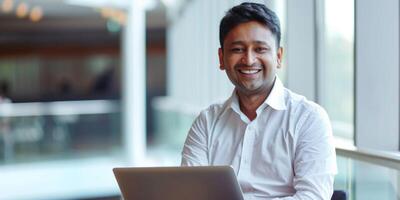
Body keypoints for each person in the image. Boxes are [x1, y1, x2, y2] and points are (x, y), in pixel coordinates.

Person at [181, 2, 337, 200]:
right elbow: (189, 193)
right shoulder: (207, 122)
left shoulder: (309, 119)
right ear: (221, 58)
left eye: (260, 49)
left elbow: (313, 196)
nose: (249, 59)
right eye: (237, 49)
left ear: (278, 57)